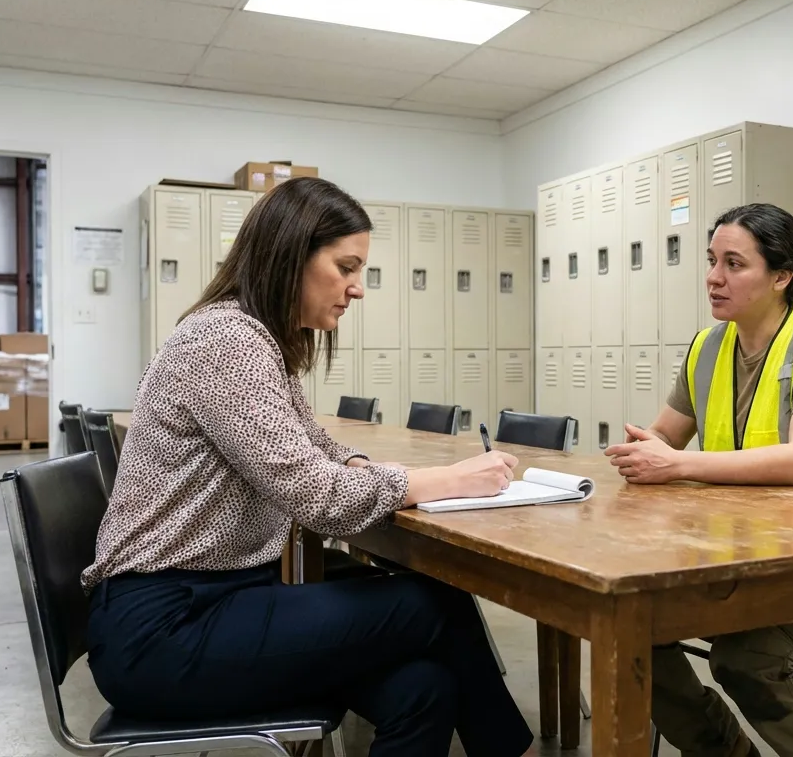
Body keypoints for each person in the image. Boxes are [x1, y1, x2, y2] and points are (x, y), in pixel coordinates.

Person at [81, 177, 533, 757]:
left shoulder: (256, 338)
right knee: (432, 603)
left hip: (223, 599)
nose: (357, 288)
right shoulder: (224, 341)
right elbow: (316, 494)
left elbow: (316, 448)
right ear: (292, 253)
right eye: (346, 267)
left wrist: (369, 468)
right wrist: (444, 480)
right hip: (164, 630)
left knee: (423, 688)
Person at [604, 202, 793, 757]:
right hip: (754, 557)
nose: (714, 278)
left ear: (781, 276)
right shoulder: (708, 347)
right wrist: (644, 452)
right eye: (712, 261)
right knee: (631, 631)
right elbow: (664, 439)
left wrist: (677, 464)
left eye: (734, 263)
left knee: (749, 656)